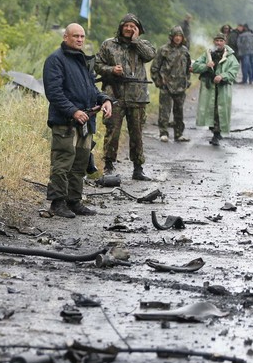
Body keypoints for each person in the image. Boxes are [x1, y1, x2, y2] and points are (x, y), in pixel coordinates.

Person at [43, 23, 113, 218]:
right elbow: (54, 92)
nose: (80, 40)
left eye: (82, 36)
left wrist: (105, 100)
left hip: (85, 122)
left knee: (80, 163)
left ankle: (74, 201)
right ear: (66, 37)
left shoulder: (82, 60)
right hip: (65, 122)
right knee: (63, 161)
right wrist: (73, 111)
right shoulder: (55, 60)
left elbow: (92, 89)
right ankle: (57, 203)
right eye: (76, 36)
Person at [95, 13, 156, 181]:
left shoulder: (143, 45)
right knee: (112, 130)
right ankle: (108, 165)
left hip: (137, 96)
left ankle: (138, 168)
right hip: (114, 94)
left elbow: (150, 56)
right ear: (121, 27)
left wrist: (136, 41)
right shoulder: (108, 44)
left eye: (133, 26)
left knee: (136, 132)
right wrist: (111, 70)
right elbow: (97, 65)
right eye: (126, 26)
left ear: (138, 29)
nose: (128, 29)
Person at [191, 32, 239, 146]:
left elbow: (233, 71)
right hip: (209, 87)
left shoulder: (230, 57)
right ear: (214, 41)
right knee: (210, 110)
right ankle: (214, 130)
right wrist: (206, 65)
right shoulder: (207, 54)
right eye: (216, 40)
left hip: (222, 88)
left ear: (225, 42)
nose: (218, 43)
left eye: (221, 41)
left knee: (220, 111)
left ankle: (216, 134)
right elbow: (195, 66)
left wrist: (222, 76)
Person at [151, 26, 192, 143]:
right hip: (166, 85)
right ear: (171, 37)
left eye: (180, 36)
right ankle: (163, 133)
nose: (178, 38)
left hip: (180, 86)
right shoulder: (163, 50)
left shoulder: (185, 50)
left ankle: (178, 133)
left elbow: (188, 68)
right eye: (176, 36)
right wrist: (158, 81)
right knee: (164, 110)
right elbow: (155, 67)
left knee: (179, 111)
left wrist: (187, 81)